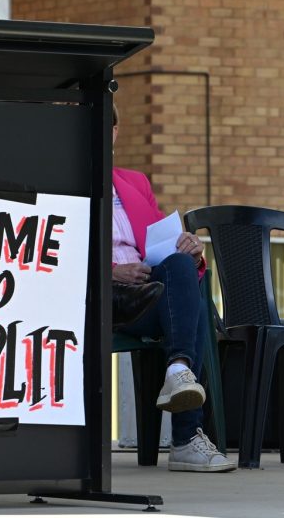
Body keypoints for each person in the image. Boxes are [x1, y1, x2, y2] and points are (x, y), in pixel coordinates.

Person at [110, 105, 235, 473]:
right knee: (191, 308)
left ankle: (178, 368)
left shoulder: (134, 183)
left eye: (107, 125)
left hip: (145, 293)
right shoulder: (60, 181)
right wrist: (112, 271)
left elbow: (157, 244)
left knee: (183, 267)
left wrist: (189, 248)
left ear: (115, 132)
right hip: (101, 295)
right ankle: (186, 438)